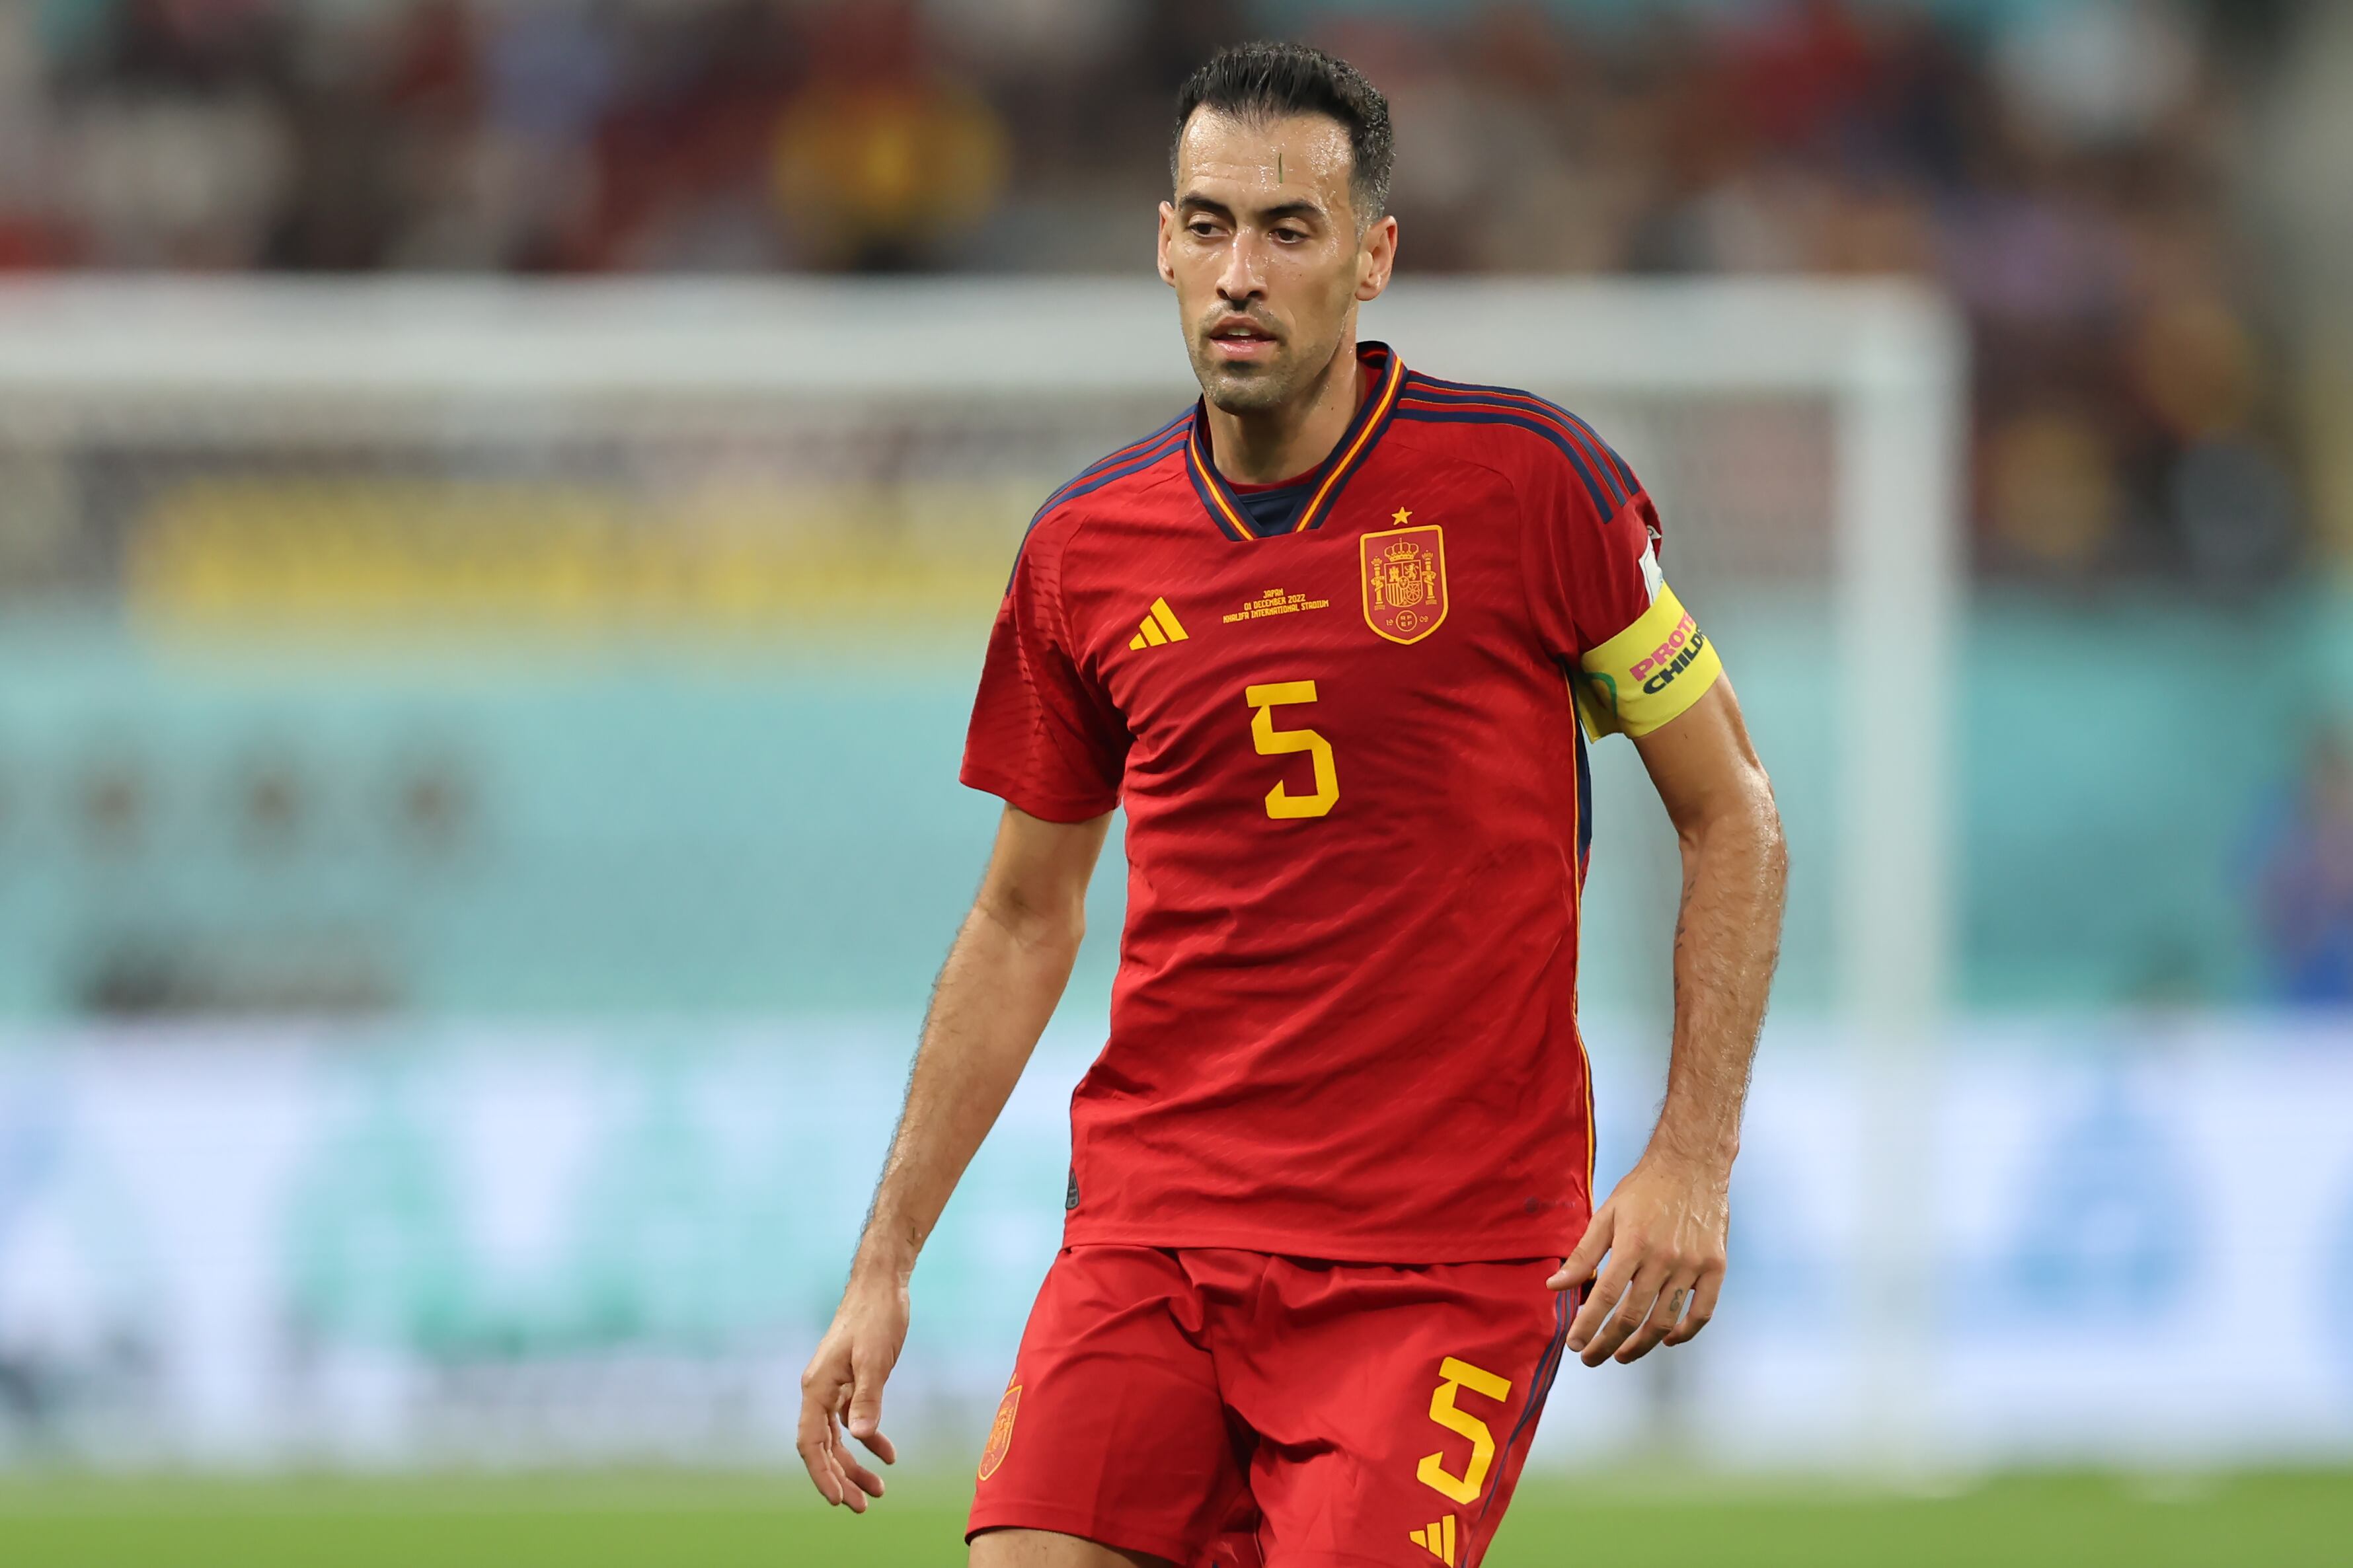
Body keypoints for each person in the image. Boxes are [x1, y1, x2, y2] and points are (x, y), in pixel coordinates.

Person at [797, 41, 1787, 1568]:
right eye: (1206, 226)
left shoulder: (1531, 486)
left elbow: (1735, 816)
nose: (1238, 273)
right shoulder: (1083, 550)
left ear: (1373, 255)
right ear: (1159, 243)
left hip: (1441, 1258)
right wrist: (883, 1261)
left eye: (1286, 229)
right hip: (1153, 1234)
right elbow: (1020, 911)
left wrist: (1692, 1157)